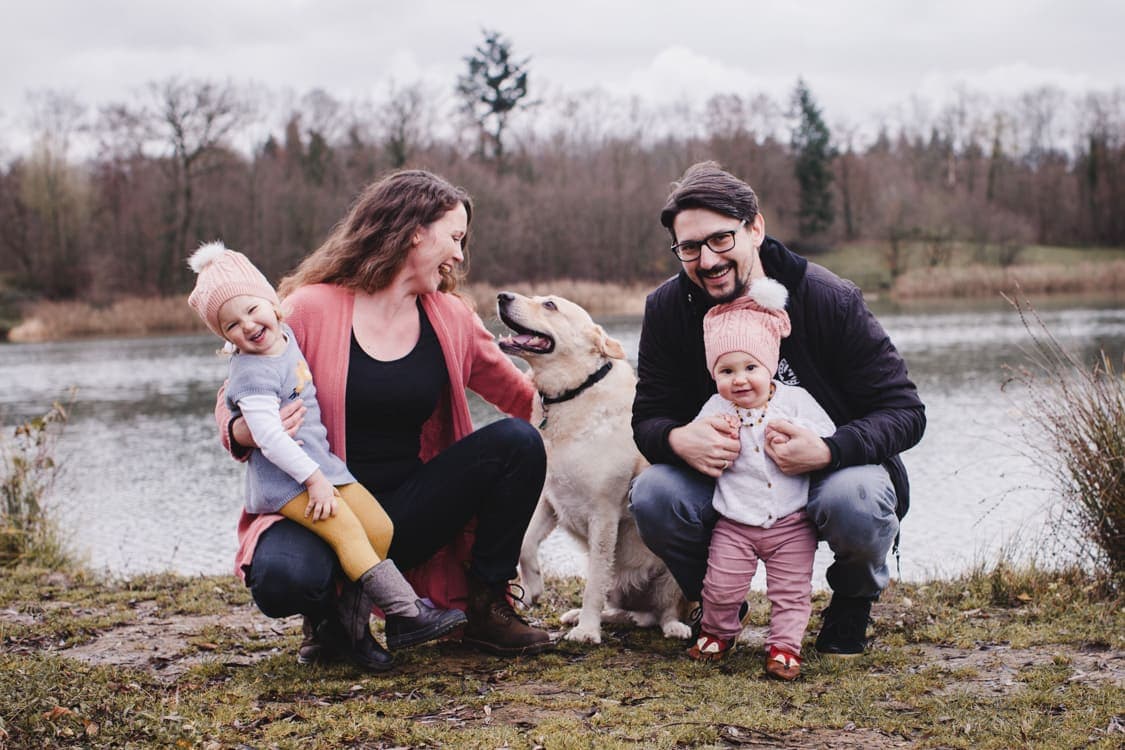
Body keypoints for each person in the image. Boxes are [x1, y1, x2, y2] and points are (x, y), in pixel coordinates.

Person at [214, 169, 553, 670]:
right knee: (285, 578)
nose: (460, 254)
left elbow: (519, 395)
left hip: (402, 513)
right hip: (317, 505)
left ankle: (486, 607)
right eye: (454, 237)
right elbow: (235, 393)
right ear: (415, 231)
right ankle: (329, 618)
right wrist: (241, 430)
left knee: (518, 443)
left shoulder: (450, 317)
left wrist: (602, 406)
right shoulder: (309, 308)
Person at [630, 161, 926, 656]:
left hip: (830, 475)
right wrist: (676, 438)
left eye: (721, 239)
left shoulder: (827, 298)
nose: (708, 260)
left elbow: (905, 411)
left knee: (857, 497)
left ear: (755, 229)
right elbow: (648, 417)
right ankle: (718, 602)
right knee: (654, 494)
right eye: (690, 247)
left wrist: (830, 449)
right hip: (730, 483)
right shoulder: (667, 309)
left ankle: (852, 602)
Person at [189, 241, 467, 672]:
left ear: (271, 302)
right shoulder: (252, 373)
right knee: (346, 530)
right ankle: (405, 612)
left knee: (379, 526)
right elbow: (271, 439)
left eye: (252, 310)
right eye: (231, 326)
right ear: (225, 338)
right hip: (289, 481)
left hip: (321, 467)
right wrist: (314, 479)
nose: (248, 325)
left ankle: (350, 630)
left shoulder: (286, 338)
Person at [685, 278, 835, 681]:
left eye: (751, 368)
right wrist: (709, 436)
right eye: (726, 371)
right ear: (714, 375)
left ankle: (784, 646)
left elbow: (826, 432)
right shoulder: (715, 407)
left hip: (791, 522)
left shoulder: (794, 401)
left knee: (791, 591)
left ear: (769, 366)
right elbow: (698, 441)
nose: (739, 379)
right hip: (735, 522)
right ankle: (718, 632)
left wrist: (800, 434)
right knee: (720, 586)